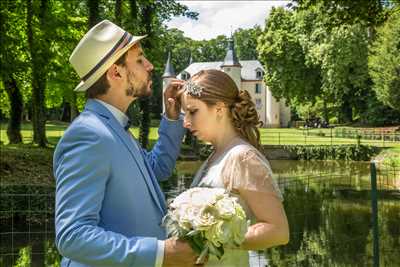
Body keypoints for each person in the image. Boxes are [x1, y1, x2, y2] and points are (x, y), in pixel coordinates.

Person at [53, 20, 198, 267]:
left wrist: (172, 118)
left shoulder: (114, 127)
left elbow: (158, 169)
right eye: (140, 59)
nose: (151, 66)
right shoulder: (88, 135)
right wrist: (161, 253)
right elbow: (72, 236)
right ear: (115, 72)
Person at [182, 69, 289, 267]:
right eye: (185, 113)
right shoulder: (216, 155)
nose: (186, 122)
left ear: (219, 109)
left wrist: (212, 238)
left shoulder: (243, 157)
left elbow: (278, 231)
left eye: (193, 111)